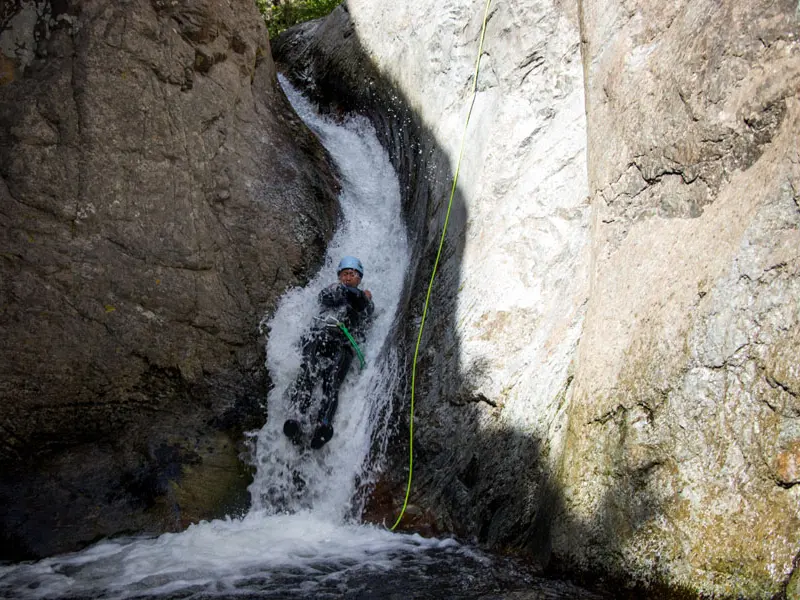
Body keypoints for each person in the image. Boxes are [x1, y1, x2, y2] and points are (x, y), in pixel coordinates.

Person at [283, 256, 374, 449]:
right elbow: (328, 297)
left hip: (343, 344)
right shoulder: (333, 289)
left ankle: (323, 425)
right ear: (339, 276)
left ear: (359, 277)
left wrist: (363, 298)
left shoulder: (366, 301)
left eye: (352, 274)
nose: (348, 277)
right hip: (319, 336)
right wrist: (358, 295)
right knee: (308, 374)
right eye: (345, 273)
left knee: (331, 384)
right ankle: (297, 418)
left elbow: (366, 312)